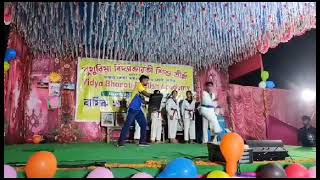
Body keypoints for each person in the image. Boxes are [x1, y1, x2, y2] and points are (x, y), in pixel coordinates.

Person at [118, 75, 151, 147]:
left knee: (143, 124)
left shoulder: (142, 89)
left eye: (148, 81)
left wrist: (151, 101)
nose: (147, 82)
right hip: (132, 108)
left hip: (138, 110)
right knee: (127, 125)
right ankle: (120, 142)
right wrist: (155, 95)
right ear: (142, 80)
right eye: (146, 80)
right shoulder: (139, 85)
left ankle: (142, 142)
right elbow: (147, 94)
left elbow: (143, 101)